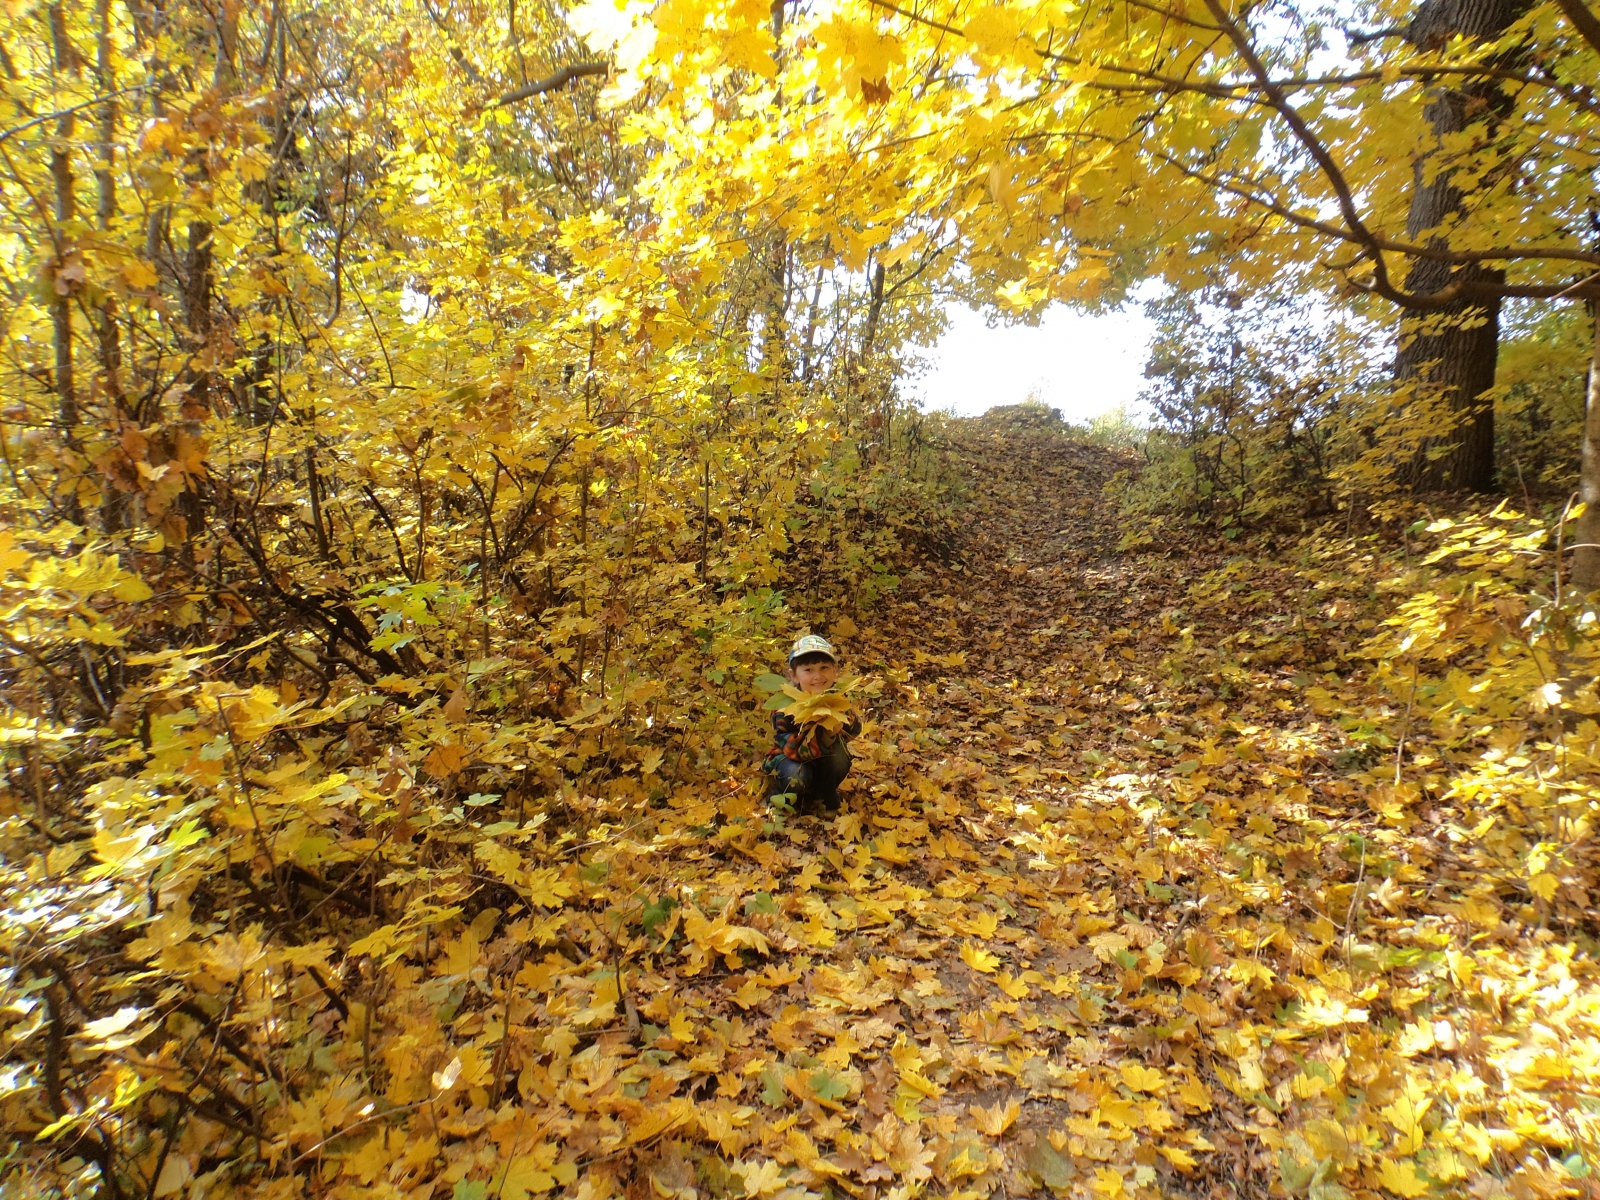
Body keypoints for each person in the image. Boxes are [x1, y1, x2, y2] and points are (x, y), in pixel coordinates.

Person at [763, 634, 862, 815]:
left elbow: (855, 729)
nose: (817, 676)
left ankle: (822, 796)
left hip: (824, 762)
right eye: (808, 670)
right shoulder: (785, 706)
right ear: (793, 675)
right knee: (796, 775)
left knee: (840, 758)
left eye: (824, 668)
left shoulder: (836, 697)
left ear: (834, 671)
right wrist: (824, 737)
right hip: (791, 760)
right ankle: (781, 797)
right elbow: (791, 748)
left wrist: (844, 722)